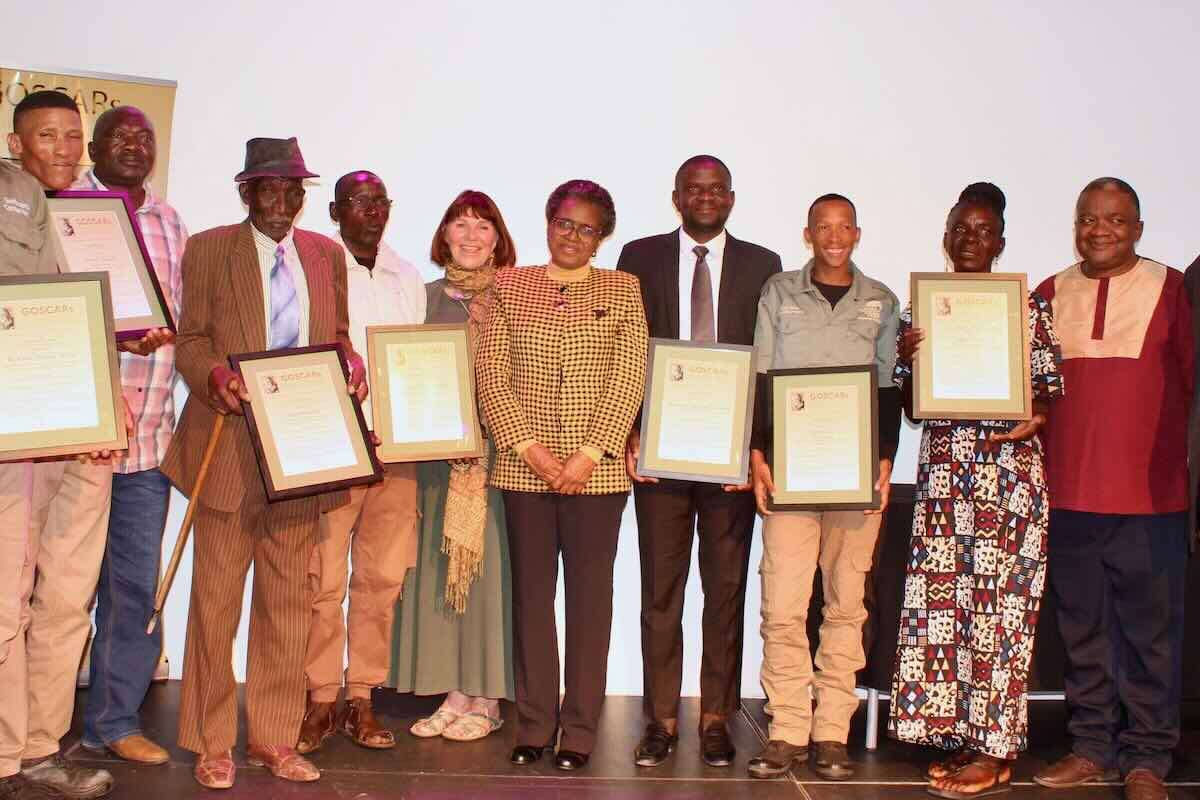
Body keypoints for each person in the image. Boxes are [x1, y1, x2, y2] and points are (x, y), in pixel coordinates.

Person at [160, 137, 364, 790]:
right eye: (268, 190)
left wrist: (351, 365)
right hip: (227, 449)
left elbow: (335, 341)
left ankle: (274, 739)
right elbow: (190, 340)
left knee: (286, 606)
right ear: (245, 192)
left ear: (305, 196)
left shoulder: (325, 255)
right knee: (216, 606)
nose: (282, 202)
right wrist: (214, 374)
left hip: (301, 456)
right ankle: (212, 742)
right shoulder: (210, 249)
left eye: (293, 190)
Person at [886, 183, 1064, 799]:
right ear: (946, 237)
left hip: (1007, 479)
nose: (971, 239)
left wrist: (1034, 413)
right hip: (944, 479)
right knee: (948, 613)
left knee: (1001, 615)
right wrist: (909, 361)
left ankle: (994, 750)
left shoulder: (1028, 308)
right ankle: (964, 738)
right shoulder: (921, 312)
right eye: (961, 229)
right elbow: (912, 408)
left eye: (984, 230)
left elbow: (1046, 391)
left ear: (1002, 242)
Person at [616, 154, 781, 768]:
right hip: (661, 453)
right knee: (661, 590)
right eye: (694, 189)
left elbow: (768, 362)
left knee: (725, 589)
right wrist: (632, 432)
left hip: (730, 457)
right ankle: (659, 719)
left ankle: (716, 716)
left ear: (731, 198)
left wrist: (756, 447)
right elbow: (627, 349)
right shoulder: (639, 257)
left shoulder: (764, 265)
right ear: (677, 197)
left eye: (716, 190)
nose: (705, 197)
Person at [477, 179, 647, 771]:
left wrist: (588, 454)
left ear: (602, 238)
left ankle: (578, 729)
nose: (573, 236)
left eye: (587, 228)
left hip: (595, 477)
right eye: (564, 223)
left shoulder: (623, 289)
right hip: (525, 471)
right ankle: (533, 722)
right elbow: (491, 373)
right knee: (530, 598)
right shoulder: (509, 284)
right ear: (548, 224)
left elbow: (630, 376)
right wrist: (532, 451)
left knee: (589, 602)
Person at [1032, 179, 1192, 800]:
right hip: (1067, 493)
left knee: (1151, 635)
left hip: (1152, 499)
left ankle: (1149, 757)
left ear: (1140, 229)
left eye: (1115, 220)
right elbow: (1027, 383)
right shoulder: (1048, 293)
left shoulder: (1175, 291)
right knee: (1083, 631)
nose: (1100, 231)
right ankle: (1091, 746)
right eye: (1088, 220)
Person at [746, 194, 901, 781]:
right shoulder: (778, 293)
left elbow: (888, 387)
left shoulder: (880, 301)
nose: (834, 237)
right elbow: (762, 376)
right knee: (783, 607)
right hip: (790, 473)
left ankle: (832, 729)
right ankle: (787, 726)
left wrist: (885, 457)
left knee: (845, 605)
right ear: (808, 233)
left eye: (844, 228)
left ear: (856, 234)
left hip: (855, 477)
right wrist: (758, 451)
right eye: (823, 227)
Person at [3, 89, 116, 800]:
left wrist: (112, 401)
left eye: (74, 137)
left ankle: (42, 747)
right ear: (18, 143)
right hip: (17, 436)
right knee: (6, 601)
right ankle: (3, 754)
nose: (64, 150)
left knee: (69, 600)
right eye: (48, 137)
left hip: (87, 432)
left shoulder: (98, 213)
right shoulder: (4, 196)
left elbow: (102, 314)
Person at [69, 106, 188, 768]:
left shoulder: (172, 222)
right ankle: (31, 727)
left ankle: (112, 722)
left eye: (144, 137)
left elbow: (184, 319)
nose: (134, 146)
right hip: (75, 443)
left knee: (133, 589)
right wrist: (112, 334)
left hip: (146, 445)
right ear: (94, 147)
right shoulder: (63, 212)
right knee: (54, 592)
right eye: (120, 136)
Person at [298, 171, 424, 754]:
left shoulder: (407, 277)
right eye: (358, 202)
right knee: (323, 580)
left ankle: (362, 697)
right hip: (334, 449)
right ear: (333, 210)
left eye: (380, 202)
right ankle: (320, 698)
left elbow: (419, 365)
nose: (371, 212)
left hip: (397, 452)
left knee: (382, 580)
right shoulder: (315, 271)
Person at [391, 190, 518, 742]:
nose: (470, 237)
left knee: (489, 579)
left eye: (482, 226)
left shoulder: (518, 296)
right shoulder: (418, 300)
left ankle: (486, 697)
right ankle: (452, 692)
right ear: (444, 234)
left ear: (498, 238)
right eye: (459, 225)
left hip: (499, 461)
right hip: (436, 463)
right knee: (443, 575)